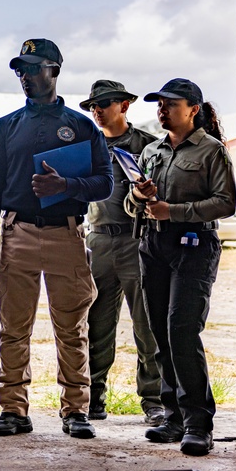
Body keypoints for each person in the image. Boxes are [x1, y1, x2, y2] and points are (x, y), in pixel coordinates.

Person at [0, 39, 113, 440]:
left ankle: (75, 410)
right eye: (20, 69)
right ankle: (13, 409)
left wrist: (66, 184)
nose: (25, 76)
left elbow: (105, 183)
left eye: (34, 68)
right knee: (13, 328)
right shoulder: (6, 126)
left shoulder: (83, 125)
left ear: (54, 70)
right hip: (17, 232)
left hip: (66, 234)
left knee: (71, 328)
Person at [125, 79, 236, 457]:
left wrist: (173, 211)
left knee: (182, 331)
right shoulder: (153, 150)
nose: (162, 110)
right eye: (159, 104)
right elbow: (131, 203)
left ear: (193, 109)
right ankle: (172, 416)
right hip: (152, 245)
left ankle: (197, 423)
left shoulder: (211, 150)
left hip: (193, 247)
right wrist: (139, 196)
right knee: (158, 331)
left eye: (171, 104)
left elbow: (225, 202)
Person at [78, 80, 163, 426]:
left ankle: (154, 401)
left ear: (125, 105)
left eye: (105, 104)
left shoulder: (148, 146)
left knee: (147, 324)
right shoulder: (86, 145)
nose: (97, 111)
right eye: (93, 106)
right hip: (96, 240)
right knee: (95, 324)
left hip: (136, 241)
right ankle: (93, 398)